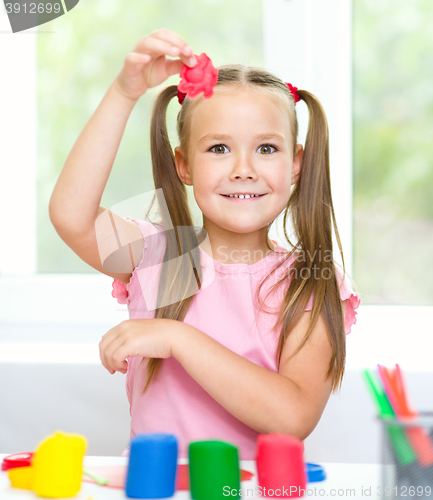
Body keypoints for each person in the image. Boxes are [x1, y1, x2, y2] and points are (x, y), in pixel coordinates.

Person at [49, 29, 360, 459]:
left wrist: (177, 339)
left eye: (266, 148)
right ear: (184, 165)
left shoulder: (309, 283)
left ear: (295, 164)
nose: (243, 169)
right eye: (218, 148)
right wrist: (125, 92)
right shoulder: (160, 257)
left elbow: (293, 416)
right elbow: (71, 214)